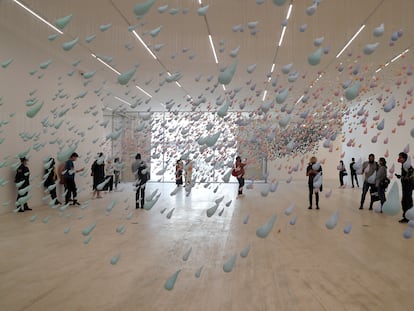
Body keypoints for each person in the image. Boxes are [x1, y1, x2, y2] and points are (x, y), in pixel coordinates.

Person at [395, 152, 414, 223]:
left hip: (408, 187)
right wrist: (401, 176)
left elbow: (411, 173)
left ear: (404, 158)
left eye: (400, 157)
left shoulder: (407, 165)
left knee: (406, 202)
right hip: (406, 186)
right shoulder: (404, 165)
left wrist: (405, 178)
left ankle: (407, 217)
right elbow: (407, 175)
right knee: (407, 201)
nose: (399, 159)